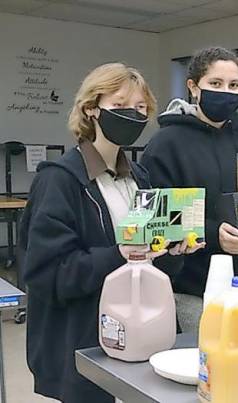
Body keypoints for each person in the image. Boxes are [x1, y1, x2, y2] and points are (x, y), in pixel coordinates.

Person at [19, 63, 199, 403]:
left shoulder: (141, 179)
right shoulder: (59, 180)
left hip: (142, 332)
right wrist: (122, 252)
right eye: (119, 106)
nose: (132, 115)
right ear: (91, 109)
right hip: (82, 339)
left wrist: (172, 250)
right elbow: (48, 274)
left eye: (141, 108)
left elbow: (153, 264)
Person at [141, 46, 238, 298]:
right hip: (194, 289)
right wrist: (212, 234)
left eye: (233, 85)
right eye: (216, 83)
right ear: (193, 86)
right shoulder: (166, 145)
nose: (225, 92)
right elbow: (157, 220)